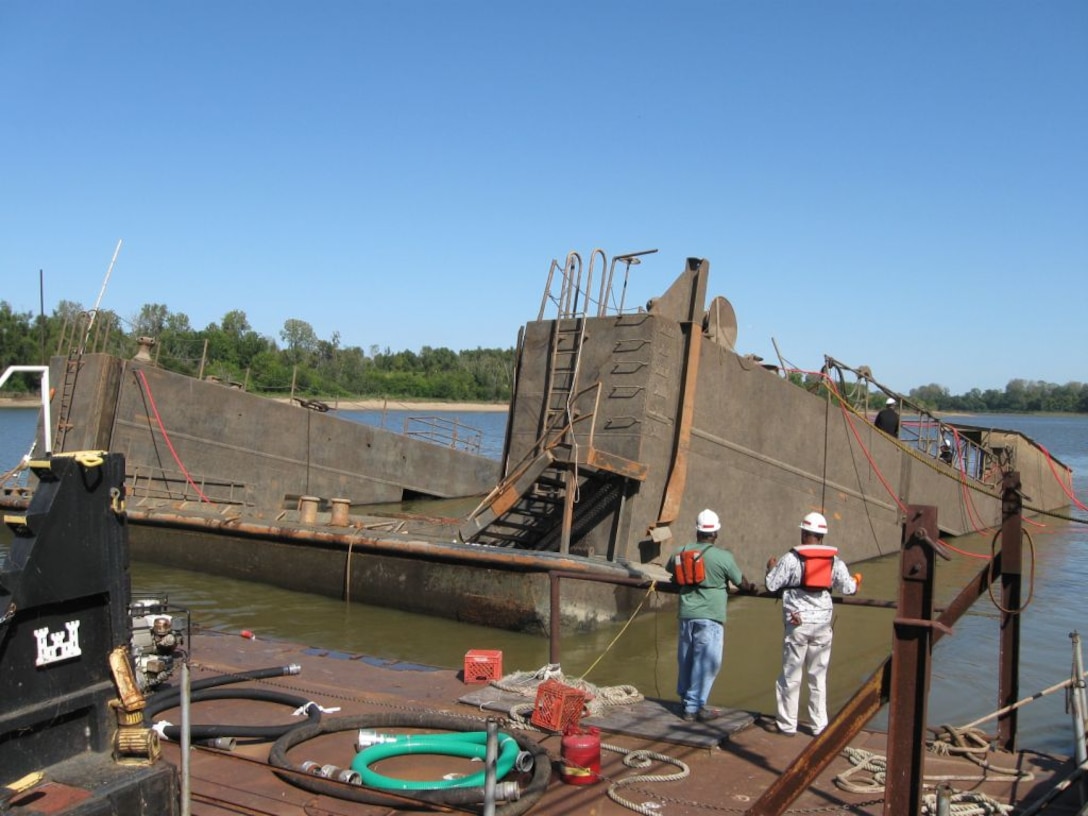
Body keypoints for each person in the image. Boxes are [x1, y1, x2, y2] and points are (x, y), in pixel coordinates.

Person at [762, 512, 860, 737]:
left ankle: (787, 725)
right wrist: (856, 582)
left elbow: (771, 584)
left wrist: (770, 567)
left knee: (791, 675)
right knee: (818, 677)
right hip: (822, 626)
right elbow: (848, 588)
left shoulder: (791, 559)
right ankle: (818, 726)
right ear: (822, 536)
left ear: (804, 533)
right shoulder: (834, 561)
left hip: (797, 624)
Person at [667, 508, 755, 723]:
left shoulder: (680, 552)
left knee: (686, 659)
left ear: (697, 531)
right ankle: (694, 707)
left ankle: (686, 700)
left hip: (686, 615)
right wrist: (750, 587)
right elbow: (741, 582)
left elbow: (672, 572)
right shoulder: (723, 557)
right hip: (710, 617)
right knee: (707, 662)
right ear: (715, 533)